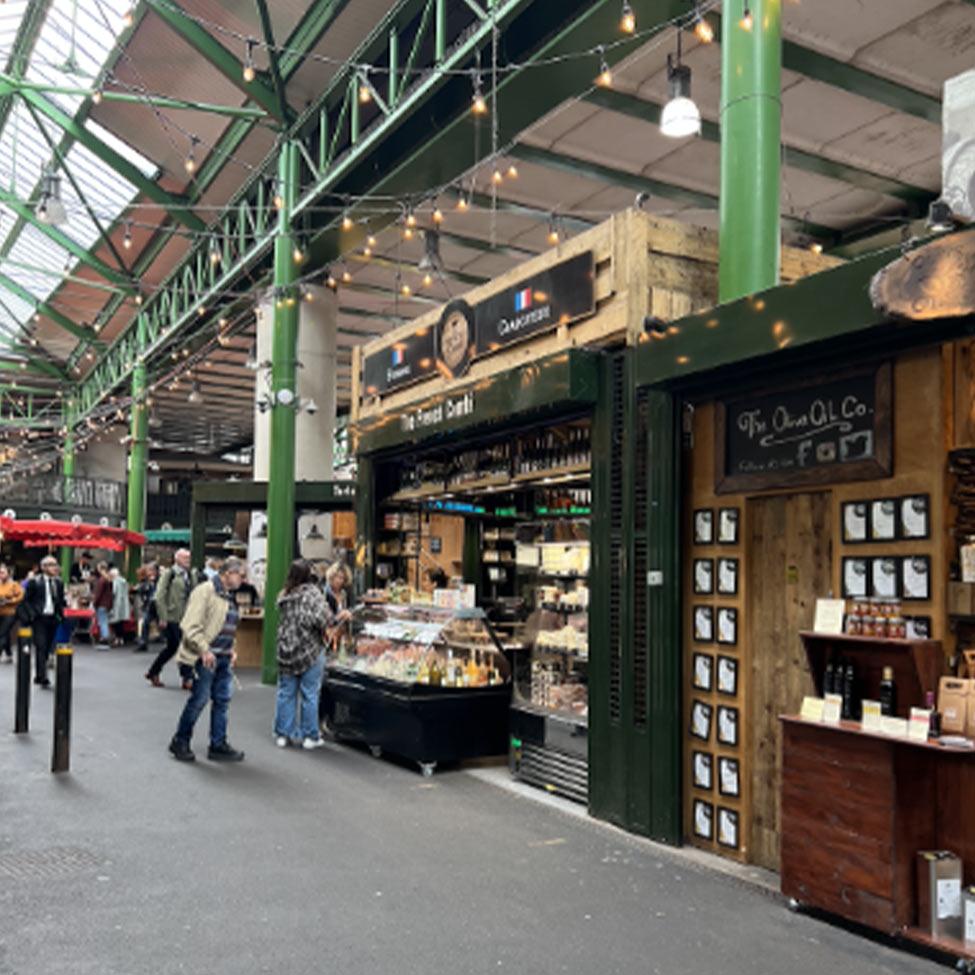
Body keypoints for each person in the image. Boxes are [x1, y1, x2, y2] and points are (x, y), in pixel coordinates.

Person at [168, 557, 246, 763]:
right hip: (205, 657)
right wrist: (204, 649)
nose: (243, 579)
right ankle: (180, 740)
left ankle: (218, 744)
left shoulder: (228, 595)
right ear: (228, 573)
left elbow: (227, 625)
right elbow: (190, 624)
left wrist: (232, 649)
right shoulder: (205, 591)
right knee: (199, 700)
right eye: (241, 574)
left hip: (221, 657)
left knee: (221, 701)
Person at [273, 559, 333, 750]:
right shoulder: (312, 594)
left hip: (286, 649)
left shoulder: (285, 594)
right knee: (310, 694)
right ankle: (310, 736)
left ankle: (283, 734)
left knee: (286, 693)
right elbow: (323, 619)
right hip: (309, 650)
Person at [146, 549, 198, 689]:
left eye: (189, 557)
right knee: (180, 645)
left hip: (186, 617)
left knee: (174, 647)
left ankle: (154, 671)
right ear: (177, 559)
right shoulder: (170, 574)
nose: (188, 560)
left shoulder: (190, 574)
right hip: (171, 616)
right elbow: (159, 596)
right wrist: (163, 616)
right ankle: (187, 678)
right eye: (185, 557)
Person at [21, 556, 65, 687]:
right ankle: (42, 675)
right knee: (41, 646)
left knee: (48, 648)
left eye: (55, 565)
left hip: (52, 618)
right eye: (51, 565)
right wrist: (32, 615)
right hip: (39, 618)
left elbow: (60, 600)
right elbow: (26, 600)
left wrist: (61, 615)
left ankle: (41, 673)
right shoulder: (35, 582)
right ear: (43, 567)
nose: (55, 568)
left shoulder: (58, 582)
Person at [0, 563, 23, 663]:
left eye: (2, 573)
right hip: (0, 611)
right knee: (6, 634)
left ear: (8, 574)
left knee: (2, 633)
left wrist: (10, 600)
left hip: (10, 612)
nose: (1, 575)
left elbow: (21, 596)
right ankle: (9, 653)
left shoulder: (14, 584)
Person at [135, 563, 158, 653]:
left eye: (151, 570)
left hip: (159, 606)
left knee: (167, 626)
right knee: (145, 623)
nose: (149, 573)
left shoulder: (160, 580)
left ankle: (174, 642)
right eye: (148, 570)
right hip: (150, 605)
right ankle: (143, 643)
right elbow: (143, 591)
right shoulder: (146, 582)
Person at [91, 562, 113, 649]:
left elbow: (98, 594)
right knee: (104, 621)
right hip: (107, 604)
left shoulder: (102, 580)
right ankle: (106, 638)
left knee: (102, 622)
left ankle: (104, 639)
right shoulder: (108, 579)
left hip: (101, 604)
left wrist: (94, 603)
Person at [109, 567, 130, 647]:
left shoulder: (115, 582)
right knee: (121, 622)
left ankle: (117, 639)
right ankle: (121, 639)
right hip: (124, 603)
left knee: (115, 622)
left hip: (117, 603)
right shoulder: (124, 581)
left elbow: (113, 592)